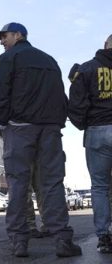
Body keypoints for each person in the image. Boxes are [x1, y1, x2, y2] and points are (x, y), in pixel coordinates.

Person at [0, 22, 82, 258]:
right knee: (52, 183)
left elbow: (1, 93)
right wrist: (57, 123)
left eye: (5, 36)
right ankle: (62, 239)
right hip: (49, 130)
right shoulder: (49, 60)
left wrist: (2, 123)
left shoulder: (8, 59)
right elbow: (60, 95)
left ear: (18, 35)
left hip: (20, 128)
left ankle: (19, 241)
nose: (2, 41)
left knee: (18, 183)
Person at [68, 34, 112, 254]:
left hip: (97, 130)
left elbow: (75, 102)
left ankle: (104, 236)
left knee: (100, 186)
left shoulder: (87, 68)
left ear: (105, 46)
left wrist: (84, 123)